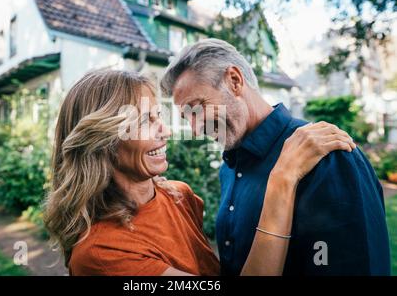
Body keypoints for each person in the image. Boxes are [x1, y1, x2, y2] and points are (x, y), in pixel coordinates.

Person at [44, 69, 356, 276]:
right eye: (144, 122)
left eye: (159, 117)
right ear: (101, 141)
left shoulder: (178, 195)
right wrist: (283, 177)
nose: (165, 131)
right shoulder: (102, 253)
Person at [160, 38, 391, 275]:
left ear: (234, 81)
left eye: (197, 108)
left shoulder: (326, 155)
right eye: (188, 117)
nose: (196, 129)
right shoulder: (228, 168)